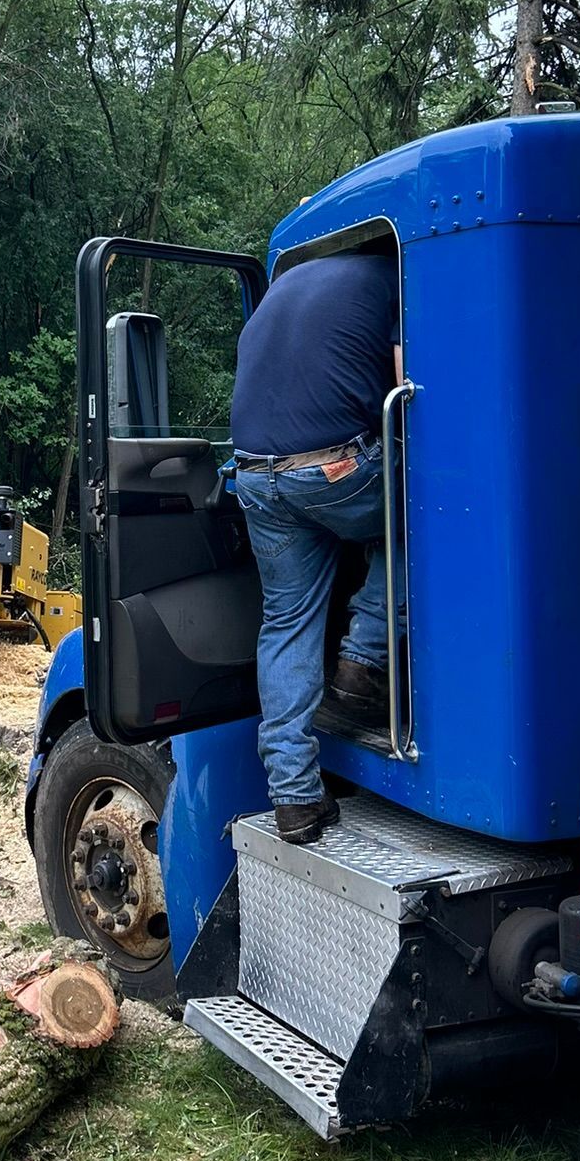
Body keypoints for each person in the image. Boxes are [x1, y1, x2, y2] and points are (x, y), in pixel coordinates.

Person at [229, 252, 401, 846]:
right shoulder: (396, 276)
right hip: (335, 470)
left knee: (286, 619)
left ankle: (295, 799)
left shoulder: (286, 287)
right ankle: (363, 666)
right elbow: (408, 381)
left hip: (253, 474)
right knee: (426, 512)